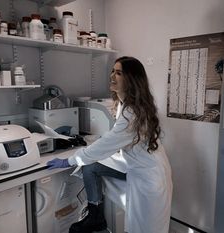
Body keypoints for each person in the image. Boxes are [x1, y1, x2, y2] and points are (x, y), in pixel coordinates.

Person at [47, 56, 173, 233]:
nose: (112, 76)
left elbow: (107, 143)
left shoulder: (132, 113)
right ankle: (95, 215)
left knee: (145, 229)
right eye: (112, 71)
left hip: (148, 177)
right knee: (91, 166)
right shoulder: (125, 105)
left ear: (131, 80)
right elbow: (114, 140)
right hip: (141, 167)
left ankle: (95, 216)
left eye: (119, 73)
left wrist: (69, 161)